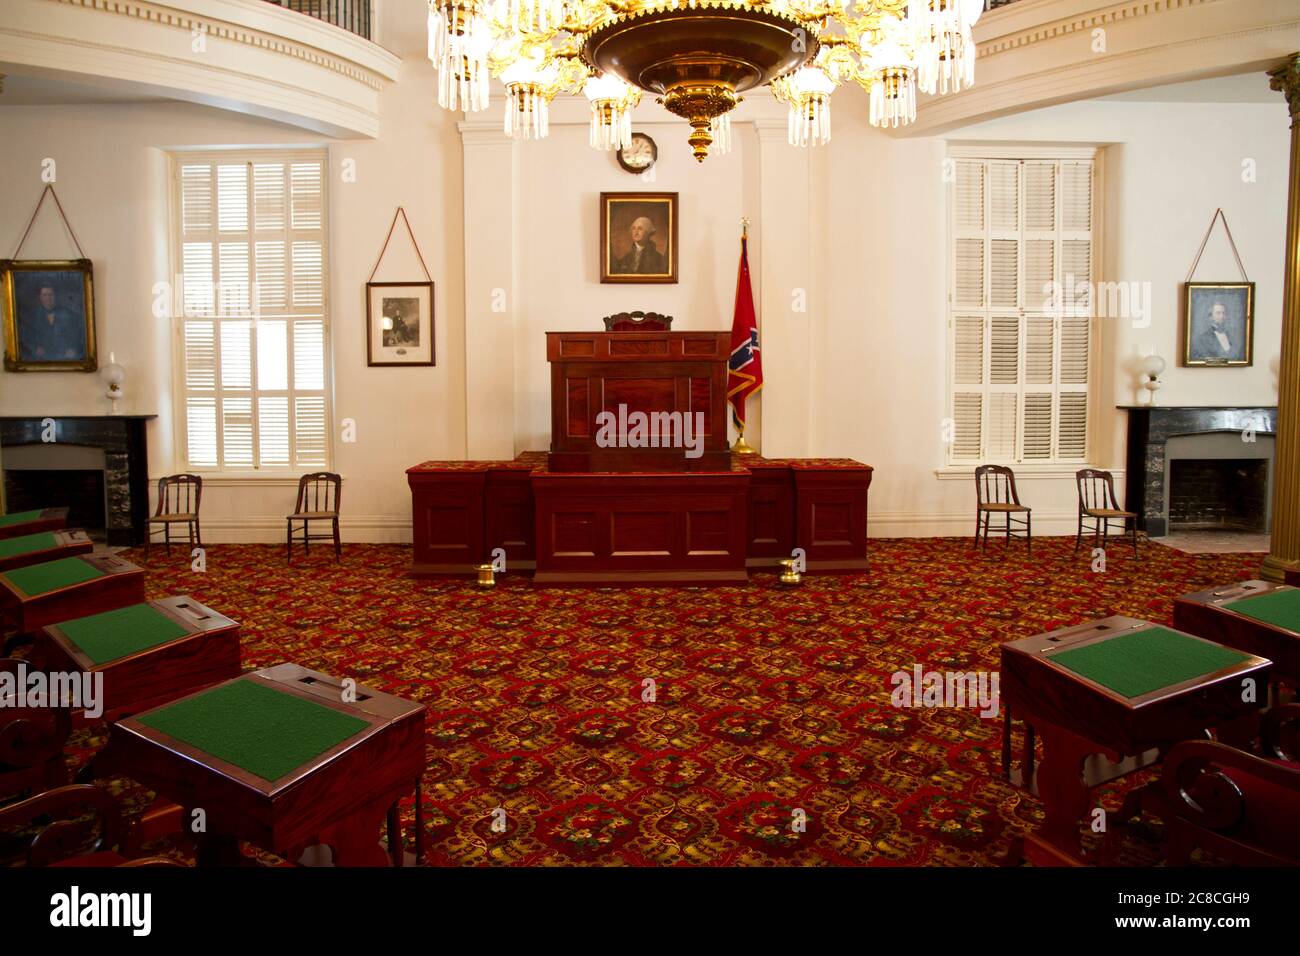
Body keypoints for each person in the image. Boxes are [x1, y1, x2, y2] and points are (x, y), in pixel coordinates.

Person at [18, 283, 86, 362]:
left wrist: (73, 349)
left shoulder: (68, 314)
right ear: (40, 297)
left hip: (64, 356)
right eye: (44, 295)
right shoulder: (32, 316)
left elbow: (77, 335)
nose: (48, 298)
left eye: (50, 294)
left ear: (55, 296)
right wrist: (35, 348)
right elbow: (26, 337)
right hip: (42, 357)